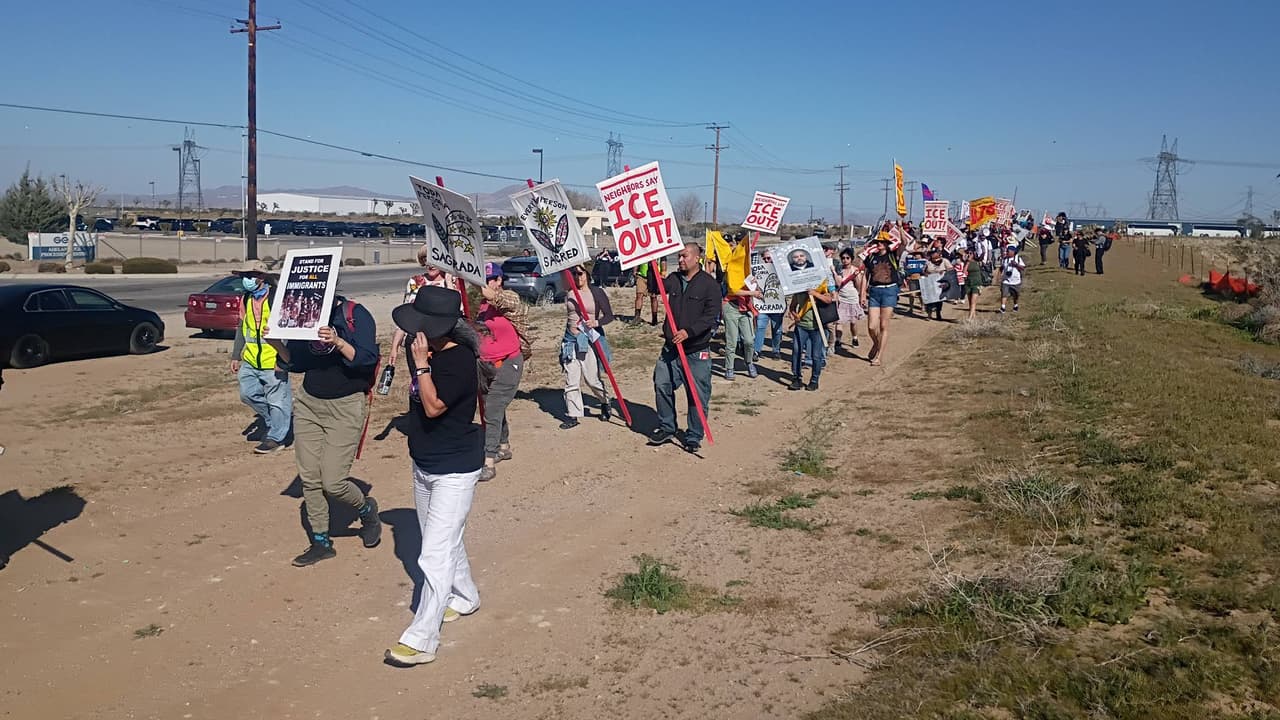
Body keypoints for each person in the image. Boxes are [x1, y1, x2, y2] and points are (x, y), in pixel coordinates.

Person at [384, 286, 484, 668]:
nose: (414, 333)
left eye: (421, 326)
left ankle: (423, 637)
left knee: (433, 553)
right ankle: (466, 596)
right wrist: (418, 360)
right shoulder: (419, 348)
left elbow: (433, 404)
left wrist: (422, 365)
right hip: (424, 461)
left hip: (455, 469)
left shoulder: (459, 360)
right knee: (442, 538)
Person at [267, 291, 382, 567]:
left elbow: (366, 358)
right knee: (310, 477)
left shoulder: (355, 313)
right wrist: (275, 343)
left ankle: (366, 509)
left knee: (333, 482)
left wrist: (338, 341)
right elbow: (295, 362)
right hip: (309, 404)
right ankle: (321, 541)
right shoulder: (304, 314)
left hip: (345, 406)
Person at [649, 243, 719, 453]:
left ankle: (693, 435)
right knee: (662, 384)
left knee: (697, 395)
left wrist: (689, 331)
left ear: (697, 258)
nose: (680, 260)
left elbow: (712, 315)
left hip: (696, 350)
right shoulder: (674, 279)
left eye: (684, 256)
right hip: (671, 349)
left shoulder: (709, 285)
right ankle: (667, 427)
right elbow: (656, 287)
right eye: (678, 256)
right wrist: (650, 263)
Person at [231, 267, 292, 454]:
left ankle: (276, 438)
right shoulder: (246, 298)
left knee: (278, 401)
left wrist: (283, 359)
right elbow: (243, 327)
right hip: (250, 359)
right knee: (247, 394)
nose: (245, 280)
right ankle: (275, 423)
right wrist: (235, 355)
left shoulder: (277, 298)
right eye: (242, 276)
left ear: (261, 277)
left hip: (273, 360)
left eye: (249, 276)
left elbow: (289, 329)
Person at [477, 262, 529, 481]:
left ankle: (488, 461)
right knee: (495, 408)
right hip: (486, 364)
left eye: (491, 279)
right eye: (485, 278)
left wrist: (484, 288)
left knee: (493, 408)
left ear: (499, 281)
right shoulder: (481, 305)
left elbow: (503, 300)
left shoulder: (510, 299)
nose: (488, 283)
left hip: (510, 362)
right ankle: (503, 445)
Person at [559, 265, 613, 429]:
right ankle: (573, 415)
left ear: (587, 274)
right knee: (571, 381)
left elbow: (609, 315)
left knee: (592, 380)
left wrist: (596, 322)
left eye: (580, 273)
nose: (577, 276)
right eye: (574, 273)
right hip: (570, 340)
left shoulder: (596, 292)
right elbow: (562, 270)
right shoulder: (569, 290)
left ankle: (605, 401)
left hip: (588, 340)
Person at [391, 253, 456, 368]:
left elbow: (456, 313)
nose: (430, 265)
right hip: (416, 341)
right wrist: (394, 346)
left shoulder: (452, 282)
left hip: (441, 341)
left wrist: (449, 282)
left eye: (434, 260)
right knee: (418, 379)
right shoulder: (415, 282)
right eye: (427, 260)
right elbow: (407, 315)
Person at [721, 235, 761, 381]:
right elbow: (733, 290)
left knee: (749, 340)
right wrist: (753, 292)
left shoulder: (747, 269)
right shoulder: (731, 268)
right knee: (731, 341)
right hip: (731, 307)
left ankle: (749, 362)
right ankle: (729, 367)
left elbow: (751, 285)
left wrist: (754, 284)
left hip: (745, 309)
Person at [861, 238, 904, 367]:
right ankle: (876, 343)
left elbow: (904, 244)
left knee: (884, 325)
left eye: (881, 242)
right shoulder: (870, 257)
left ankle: (879, 356)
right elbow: (865, 275)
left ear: (886, 244)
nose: (878, 244)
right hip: (874, 291)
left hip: (889, 290)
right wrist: (862, 293)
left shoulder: (892, 255)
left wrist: (901, 227)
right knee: (871, 326)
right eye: (877, 242)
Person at [787, 285, 833, 391]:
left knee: (816, 355)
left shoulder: (820, 288)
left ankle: (814, 381)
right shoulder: (798, 291)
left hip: (817, 327)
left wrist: (815, 294)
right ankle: (796, 378)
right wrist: (795, 315)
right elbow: (792, 307)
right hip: (801, 327)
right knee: (796, 351)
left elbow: (829, 300)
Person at [753, 251, 785, 360]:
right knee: (760, 327)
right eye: (765, 258)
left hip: (777, 305)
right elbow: (752, 284)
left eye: (769, 258)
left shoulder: (781, 270)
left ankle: (776, 350)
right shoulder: (759, 270)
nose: (767, 260)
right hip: (763, 305)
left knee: (777, 329)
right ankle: (756, 351)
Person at [833, 248, 865, 351]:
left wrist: (861, 297)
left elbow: (858, 286)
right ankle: (838, 340)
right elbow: (837, 284)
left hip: (852, 298)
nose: (845, 260)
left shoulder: (855, 271)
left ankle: (855, 338)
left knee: (853, 322)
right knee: (839, 321)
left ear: (851, 259)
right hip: (841, 299)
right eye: (843, 258)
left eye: (847, 258)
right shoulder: (839, 269)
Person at [923, 248, 953, 321]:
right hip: (930, 282)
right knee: (929, 299)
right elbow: (923, 271)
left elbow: (951, 269)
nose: (932, 254)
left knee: (939, 299)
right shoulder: (928, 262)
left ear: (938, 254)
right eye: (932, 253)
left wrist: (944, 271)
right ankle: (929, 315)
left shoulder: (944, 261)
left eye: (934, 253)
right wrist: (926, 274)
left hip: (941, 282)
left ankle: (938, 313)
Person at [999, 245, 1026, 313]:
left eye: (1008, 251)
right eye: (1007, 251)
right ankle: (1003, 307)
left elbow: (1023, 268)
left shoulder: (1018, 259)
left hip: (1015, 281)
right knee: (1004, 294)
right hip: (1006, 280)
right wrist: (999, 275)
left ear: (1013, 252)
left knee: (1015, 295)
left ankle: (1015, 305)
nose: (1007, 252)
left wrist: (1016, 265)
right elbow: (1001, 268)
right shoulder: (1004, 259)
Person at [632, 260, 659, 326]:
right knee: (639, 295)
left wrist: (663, 272)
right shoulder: (642, 249)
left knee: (653, 297)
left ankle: (654, 318)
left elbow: (663, 260)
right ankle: (637, 317)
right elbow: (637, 258)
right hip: (642, 275)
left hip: (654, 276)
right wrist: (634, 270)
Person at [962, 248, 984, 321]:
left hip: (977, 282)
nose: (969, 254)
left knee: (973, 301)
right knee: (970, 302)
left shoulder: (978, 262)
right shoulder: (966, 262)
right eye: (968, 253)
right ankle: (973, 316)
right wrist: (968, 261)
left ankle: (969, 317)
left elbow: (982, 255)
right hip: (969, 282)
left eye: (971, 253)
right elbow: (964, 271)